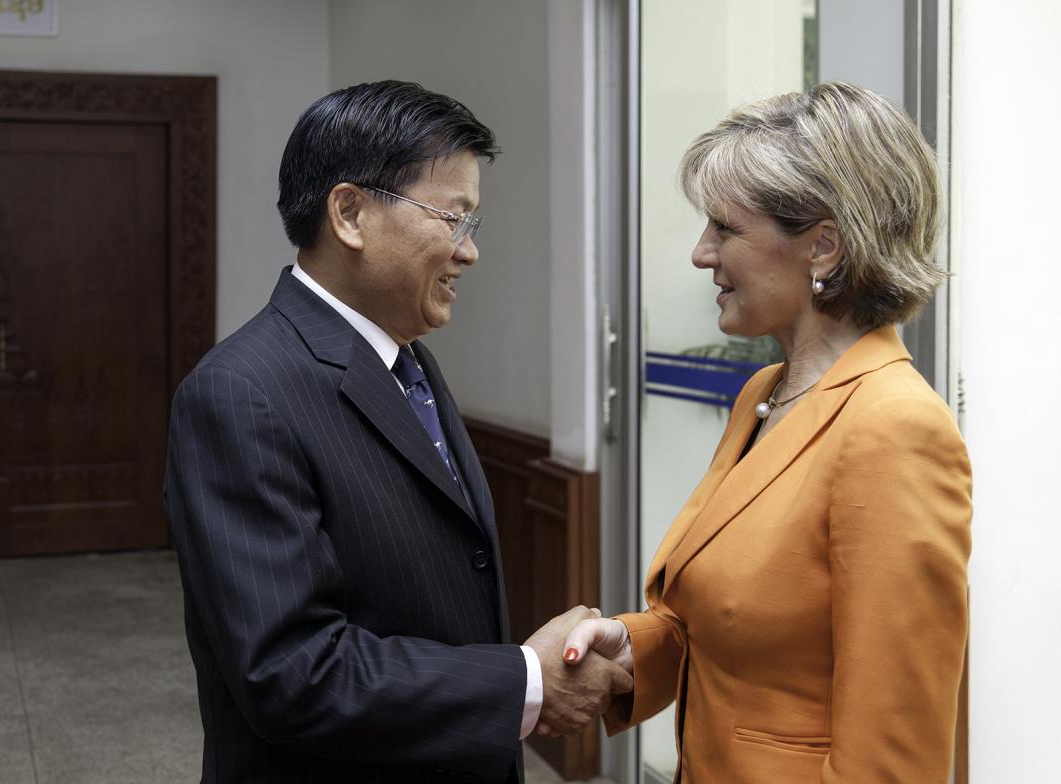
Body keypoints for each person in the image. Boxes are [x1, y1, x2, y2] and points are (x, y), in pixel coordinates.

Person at [163, 80, 631, 784]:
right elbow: (290, 672)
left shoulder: (406, 357)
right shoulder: (240, 392)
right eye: (455, 218)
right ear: (350, 213)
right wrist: (523, 681)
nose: (469, 252)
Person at [562, 82, 972, 782]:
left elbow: (893, 761)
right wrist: (629, 651)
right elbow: (732, 627)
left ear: (823, 248)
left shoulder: (895, 429)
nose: (700, 253)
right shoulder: (765, 393)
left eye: (724, 228)